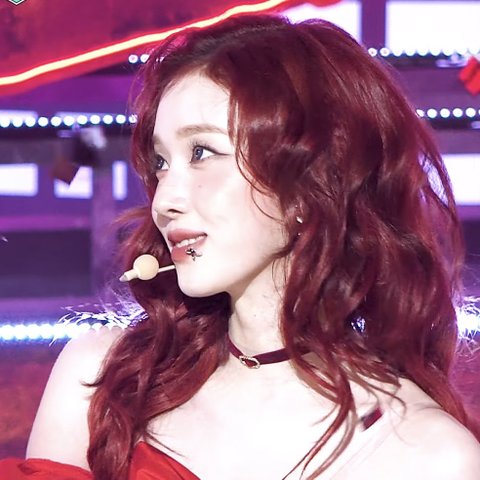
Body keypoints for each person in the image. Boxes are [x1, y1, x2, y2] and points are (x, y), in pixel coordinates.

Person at [2, 13, 480, 480]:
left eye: (202, 153)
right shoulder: (102, 380)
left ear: (309, 185)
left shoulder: (427, 456)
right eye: (161, 163)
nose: (164, 201)